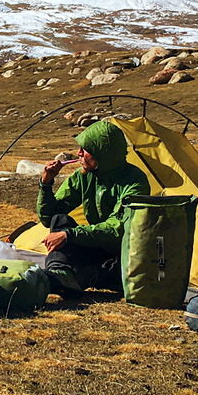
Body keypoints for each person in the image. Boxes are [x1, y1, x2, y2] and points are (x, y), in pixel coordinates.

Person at [36, 120, 149, 296]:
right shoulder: (84, 175)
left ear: (102, 152)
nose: (78, 153)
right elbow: (48, 217)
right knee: (60, 219)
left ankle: (66, 281)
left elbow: (117, 228)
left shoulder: (135, 181)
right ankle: (59, 273)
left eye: (85, 149)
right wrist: (46, 183)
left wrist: (69, 235)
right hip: (96, 244)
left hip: (123, 252)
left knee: (95, 273)